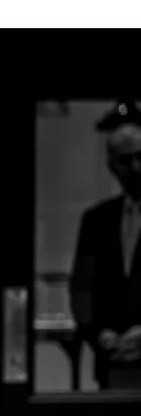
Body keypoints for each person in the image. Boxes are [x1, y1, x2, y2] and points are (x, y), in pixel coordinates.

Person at [70, 104, 141, 389]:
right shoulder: (97, 219)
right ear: (112, 165)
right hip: (112, 359)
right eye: (126, 160)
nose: (135, 167)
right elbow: (81, 287)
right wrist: (99, 335)